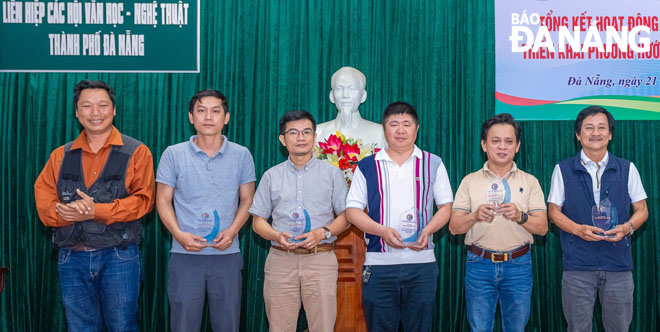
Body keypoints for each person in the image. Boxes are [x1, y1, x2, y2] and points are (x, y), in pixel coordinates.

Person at [34, 79, 155, 331]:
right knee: (79, 327)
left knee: (123, 325)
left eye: (102, 105)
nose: (95, 113)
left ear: (114, 109)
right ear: (77, 112)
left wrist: (96, 211)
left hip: (119, 256)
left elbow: (143, 201)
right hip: (71, 256)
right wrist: (65, 214)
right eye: (87, 106)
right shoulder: (60, 155)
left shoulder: (137, 152)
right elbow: (44, 198)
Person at [345, 102, 453, 332]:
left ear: (417, 128)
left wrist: (428, 230)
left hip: (421, 266)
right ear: (384, 130)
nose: (400, 130)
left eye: (407, 124)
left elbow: (446, 206)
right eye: (394, 124)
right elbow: (352, 211)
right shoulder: (366, 166)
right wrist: (382, 231)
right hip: (379, 266)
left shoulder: (433, 163)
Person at [155, 89, 255, 332]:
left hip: (227, 254)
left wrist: (232, 231)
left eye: (215, 111)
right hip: (185, 254)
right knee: (183, 324)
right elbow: (162, 200)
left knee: (227, 324)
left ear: (226, 117)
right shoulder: (173, 154)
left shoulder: (242, 155)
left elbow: (248, 200)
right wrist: (179, 235)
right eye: (201, 111)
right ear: (191, 117)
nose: (208, 117)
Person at [548, 106, 648, 332]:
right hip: (578, 265)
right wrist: (576, 229)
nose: (596, 133)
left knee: (619, 328)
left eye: (602, 128)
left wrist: (627, 227)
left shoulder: (627, 168)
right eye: (589, 128)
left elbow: (642, 209)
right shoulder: (562, 169)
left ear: (610, 134)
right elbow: (553, 212)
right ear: (578, 134)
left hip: (618, 264)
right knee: (578, 328)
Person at [250, 110, 349, 332]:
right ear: (283, 140)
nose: (301, 137)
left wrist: (322, 232)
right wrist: (276, 236)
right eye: (293, 132)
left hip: (320, 260)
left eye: (306, 132)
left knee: (323, 327)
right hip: (280, 261)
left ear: (315, 137)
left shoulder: (333, 174)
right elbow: (258, 221)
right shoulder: (271, 176)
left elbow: (346, 217)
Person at [449, 113, 548, 332]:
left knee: (516, 328)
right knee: (479, 329)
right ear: (484, 145)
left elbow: (542, 228)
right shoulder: (469, 181)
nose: (502, 147)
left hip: (518, 265)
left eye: (508, 141)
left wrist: (521, 216)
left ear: (517, 146)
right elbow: (454, 227)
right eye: (495, 141)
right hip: (479, 264)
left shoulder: (530, 182)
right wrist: (474, 216)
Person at [315, 66, 384, 147]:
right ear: (332, 96)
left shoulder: (380, 133)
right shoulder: (317, 133)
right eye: (339, 89)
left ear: (363, 96)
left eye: (352, 89)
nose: (345, 95)